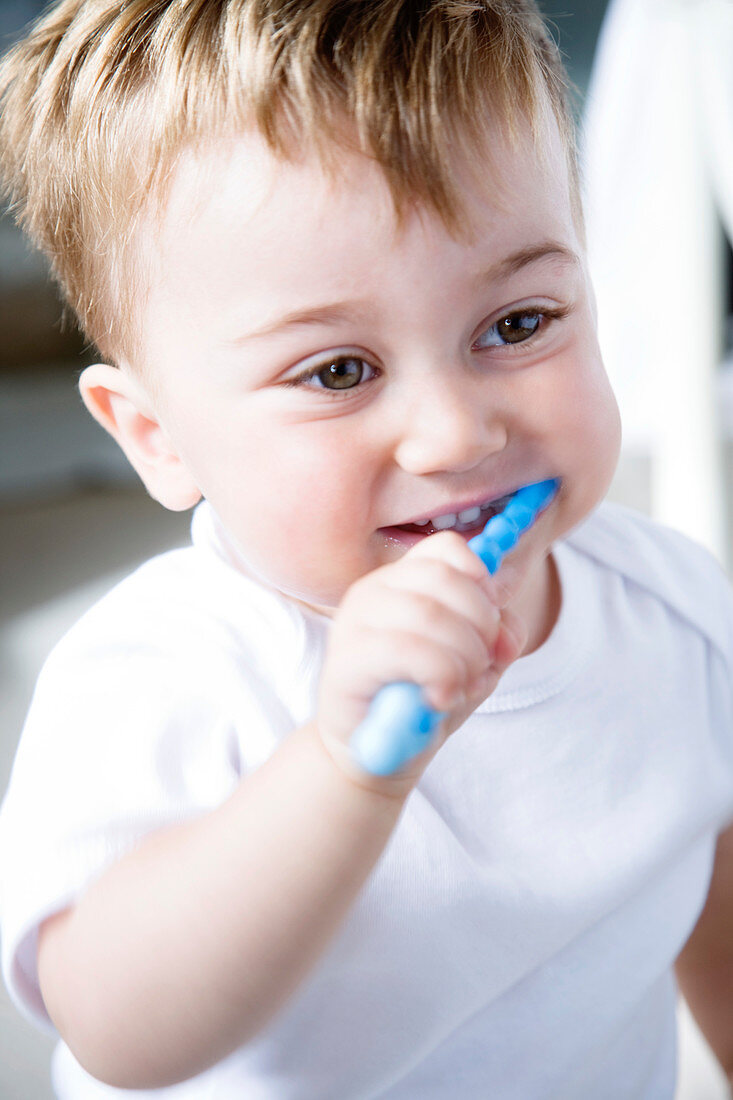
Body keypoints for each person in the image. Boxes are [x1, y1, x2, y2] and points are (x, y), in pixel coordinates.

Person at [0, 2, 732, 1097]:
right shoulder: (173, 671)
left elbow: (701, 877)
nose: (457, 433)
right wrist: (341, 771)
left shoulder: (671, 607)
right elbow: (117, 1026)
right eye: (337, 371)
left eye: (520, 322)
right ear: (156, 437)